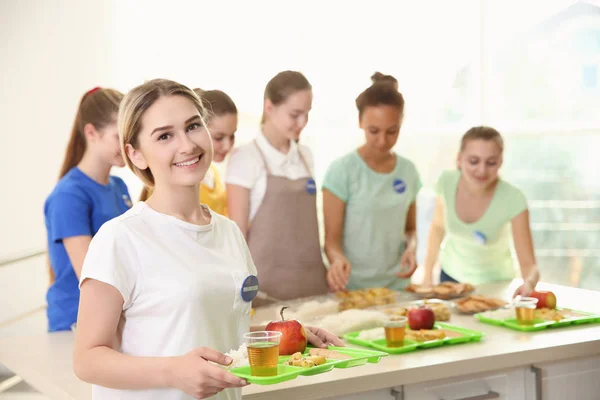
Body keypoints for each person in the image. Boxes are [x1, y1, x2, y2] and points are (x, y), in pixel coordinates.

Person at [73, 79, 342, 400]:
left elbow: (218, 328)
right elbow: (87, 359)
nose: (187, 144)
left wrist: (284, 335)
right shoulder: (121, 238)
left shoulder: (228, 232)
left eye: (193, 126)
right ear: (136, 154)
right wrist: (173, 371)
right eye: (164, 136)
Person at [226, 71, 328, 303]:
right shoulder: (246, 159)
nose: (302, 123)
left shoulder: (305, 156)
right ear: (269, 107)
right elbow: (237, 236)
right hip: (266, 294)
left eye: (307, 114)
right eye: (295, 114)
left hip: (314, 288)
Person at [322, 72, 421, 292]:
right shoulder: (341, 171)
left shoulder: (408, 171)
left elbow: (411, 229)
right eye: (374, 131)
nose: (382, 141)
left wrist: (412, 248)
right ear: (360, 122)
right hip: (353, 289)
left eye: (392, 131)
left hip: (398, 288)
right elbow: (331, 243)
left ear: (401, 124)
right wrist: (337, 260)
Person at [44, 87, 131, 332]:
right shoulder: (69, 195)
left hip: (116, 314)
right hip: (77, 321)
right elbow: (89, 274)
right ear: (91, 132)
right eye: (119, 136)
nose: (128, 145)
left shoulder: (118, 186)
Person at [421, 126, 540, 296]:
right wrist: (427, 274)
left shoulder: (514, 199)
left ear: (500, 162)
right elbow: (438, 227)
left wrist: (529, 283)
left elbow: (529, 264)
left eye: (491, 163)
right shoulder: (446, 182)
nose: (482, 170)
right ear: (459, 159)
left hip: (496, 286)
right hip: (450, 280)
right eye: (473, 161)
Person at [139, 88, 236, 216]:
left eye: (232, 136)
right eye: (219, 138)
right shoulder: (170, 185)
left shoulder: (213, 174)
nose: (227, 146)